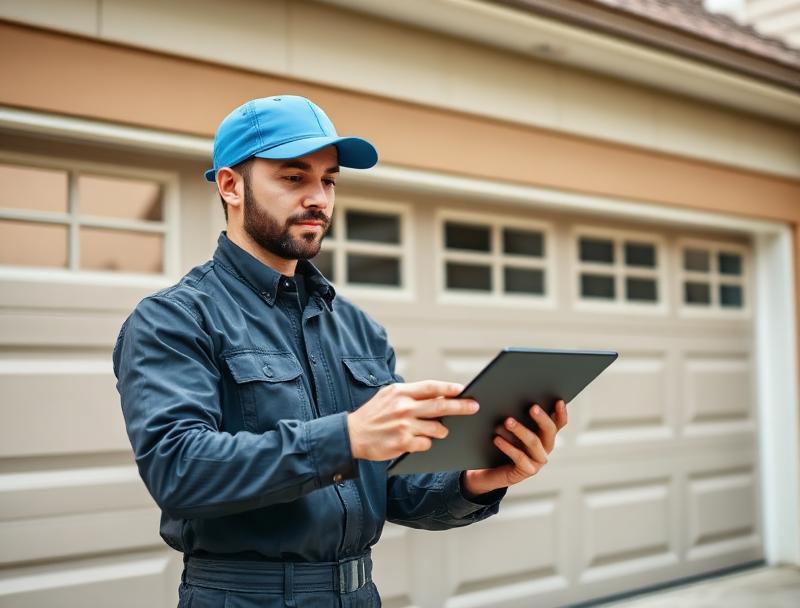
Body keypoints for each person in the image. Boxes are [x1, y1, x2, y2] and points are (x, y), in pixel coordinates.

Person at [112, 95, 568, 608]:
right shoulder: (175, 318)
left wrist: (478, 480)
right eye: (293, 177)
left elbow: (394, 486)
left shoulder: (359, 330)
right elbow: (179, 471)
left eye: (328, 180)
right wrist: (346, 437)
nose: (319, 198)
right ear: (230, 185)